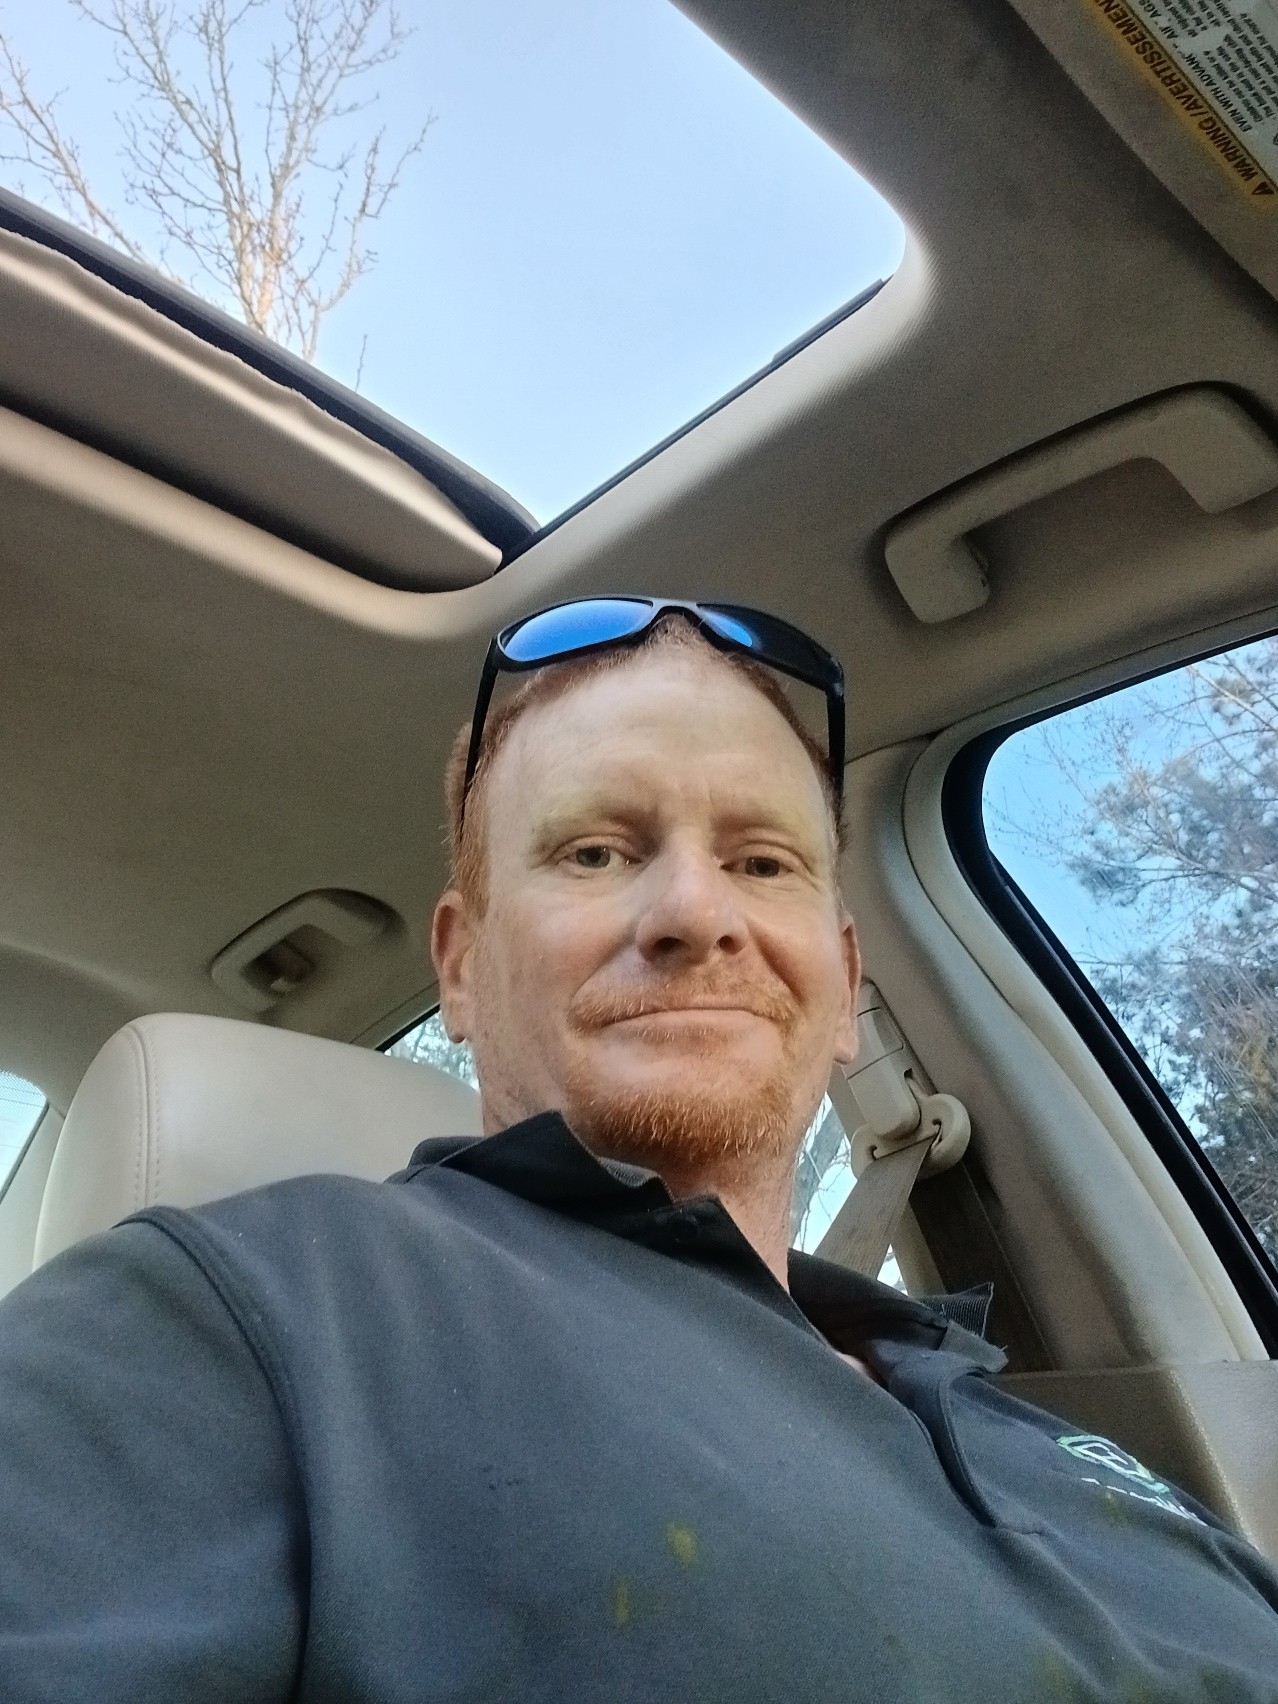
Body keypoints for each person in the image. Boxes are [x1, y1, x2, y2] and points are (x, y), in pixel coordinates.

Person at [1, 597, 1276, 1702]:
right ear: (461, 964)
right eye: (597, 852)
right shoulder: (239, 1318)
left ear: (843, 984)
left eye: (761, 861)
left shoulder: (1041, 1430)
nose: (693, 912)